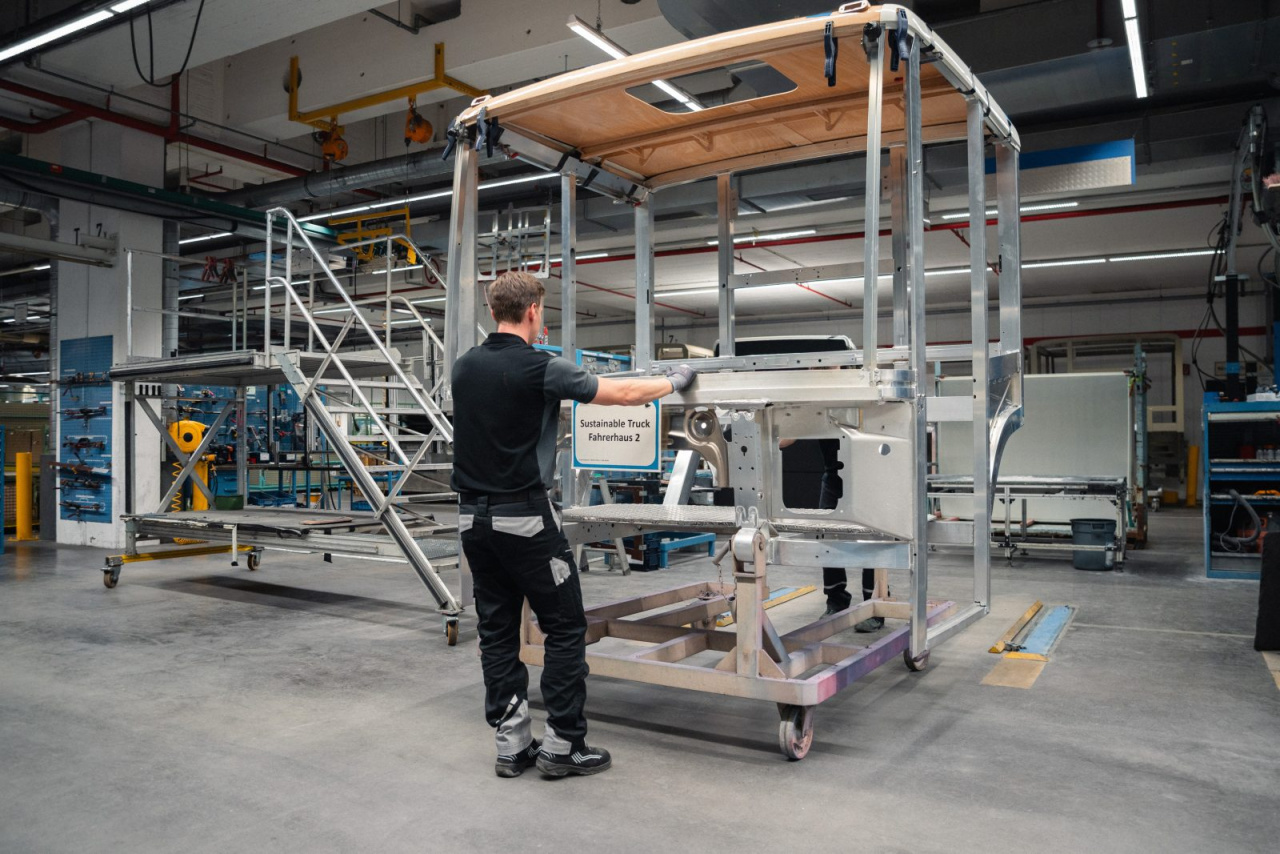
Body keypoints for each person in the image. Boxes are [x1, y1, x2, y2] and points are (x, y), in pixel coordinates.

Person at [450, 270, 696, 779]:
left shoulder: (464, 366)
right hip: (524, 519)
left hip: (472, 519)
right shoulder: (541, 367)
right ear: (533, 311)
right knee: (564, 627)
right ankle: (563, 744)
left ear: (493, 311)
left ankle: (512, 745)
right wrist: (674, 381)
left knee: (497, 631)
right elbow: (624, 395)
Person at [780, 437, 883, 631]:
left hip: (867, 477)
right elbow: (786, 438)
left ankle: (875, 606)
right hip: (833, 477)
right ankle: (837, 600)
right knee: (826, 537)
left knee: (872, 540)